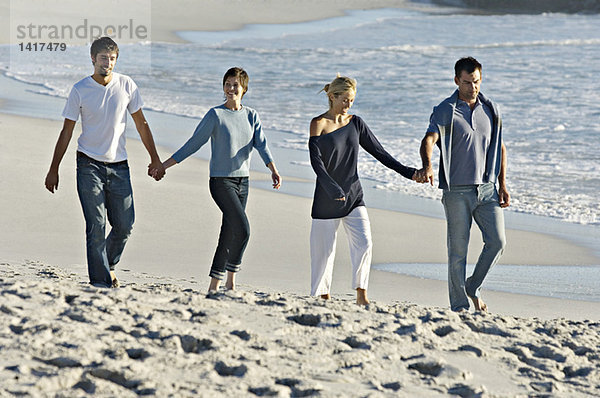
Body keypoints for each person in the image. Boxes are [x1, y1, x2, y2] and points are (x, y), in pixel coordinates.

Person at [44, 37, 165, 288]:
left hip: (119, 166)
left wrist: (155, 157)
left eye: (111, 59)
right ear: (92, 58)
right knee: (96, 225)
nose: (107, 63)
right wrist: (53, 169)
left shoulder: (127, 85)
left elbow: (141, 124)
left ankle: (107, 264)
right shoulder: (80, 89)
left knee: (125, 225)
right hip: (89, 165)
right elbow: (67, 131)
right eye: (102, 58)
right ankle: (101, 282)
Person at [151, 67, 281, 294]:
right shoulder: (215, 115)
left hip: (244, 182)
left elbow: (261, 144)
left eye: (236, 85)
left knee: (229, 231)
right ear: (223, 87)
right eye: (228, 84)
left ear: (244, 89)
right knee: (243, 230)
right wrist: (164, 165)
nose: (231, 89)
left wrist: (273, 169)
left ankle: (219, 285)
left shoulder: (252, 115)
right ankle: (229, 279)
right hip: (221, 182)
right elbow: (193, 144)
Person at [309, 75, 419, 305]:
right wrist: (331, 187)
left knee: (365, 243)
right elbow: (317, 163)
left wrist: (409, 172)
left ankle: (361, 294)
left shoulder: (356, 123)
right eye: (345, 100)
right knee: (323, 254)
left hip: (353, 196)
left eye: (352, 100)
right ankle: (323, 296)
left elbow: (381, 154)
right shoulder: (318, 123)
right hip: (327, 198)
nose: (349, 104)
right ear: (332, 97)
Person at [416, 57, 510, 312]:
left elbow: (499, 147)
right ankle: (459, 306)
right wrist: (427, 165)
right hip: (456, 191)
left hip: (487, 189)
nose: (472, 88)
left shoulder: (491, 109)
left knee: (497, 242)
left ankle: (473, 286)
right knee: (458, 252)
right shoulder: (446, 109)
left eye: (476, 82)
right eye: (467, 82)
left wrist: (502, 184)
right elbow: (429, 139)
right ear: (457, 80)